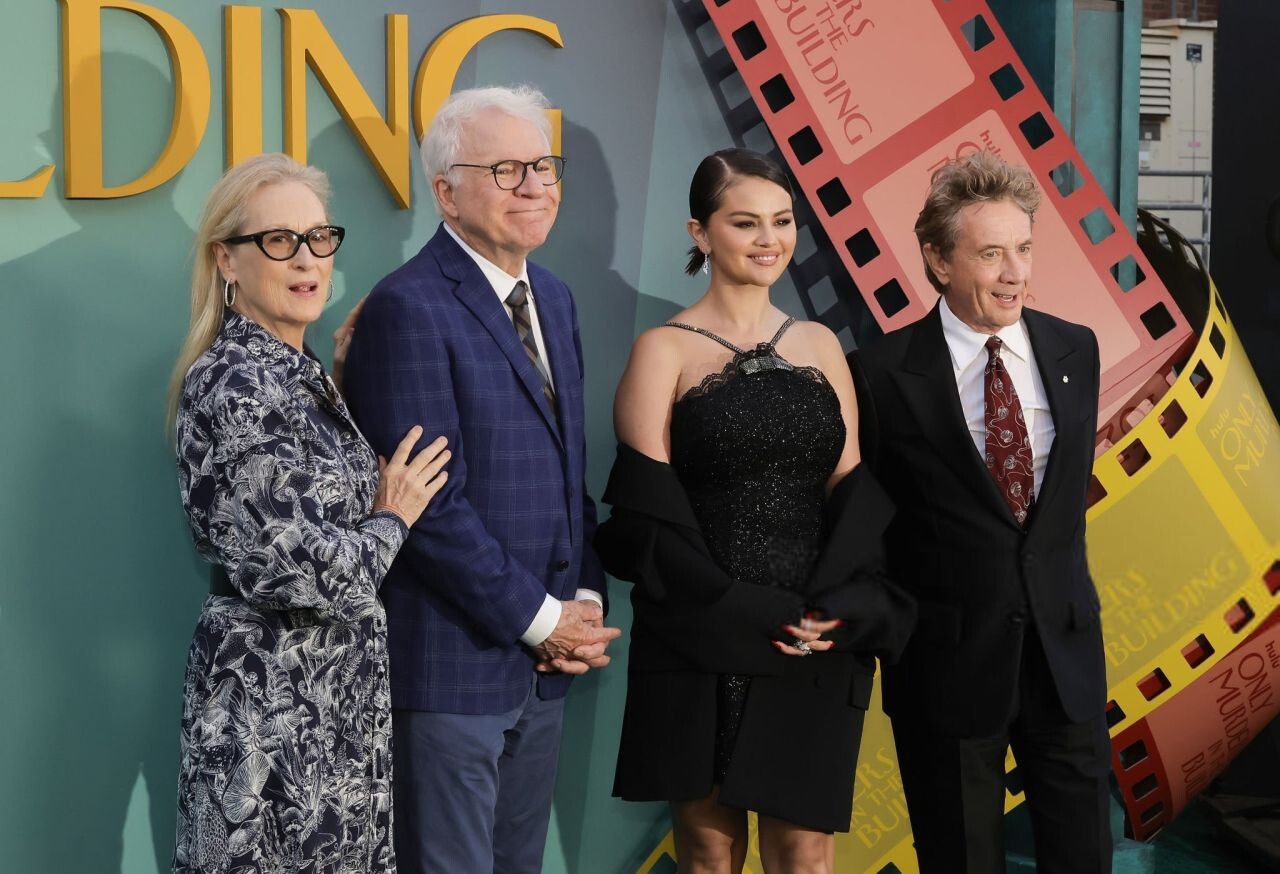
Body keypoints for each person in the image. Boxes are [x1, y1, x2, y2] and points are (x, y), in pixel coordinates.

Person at [595, 148, 916, 873]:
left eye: (782, 221)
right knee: (710, 854)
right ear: (700, 233)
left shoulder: (820, 344)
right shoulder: (662, 350)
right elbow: (648, 517)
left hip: (810, 631)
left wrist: (837, 607)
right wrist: (742, 608)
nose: (769, 239)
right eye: (745, 223)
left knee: (806, 854)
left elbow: (850, 489)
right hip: (699, 627)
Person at [340, 85, 621, 874]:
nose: (533, 186)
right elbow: (429, 508)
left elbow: (568, 477)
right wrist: (543, 619)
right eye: (505, 170)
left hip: (543, 670)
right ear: (446, 192)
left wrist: (584, 601)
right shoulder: (407, 307)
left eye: (542, 165)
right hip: (451, 672)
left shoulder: (554, 299)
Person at [168, 153, 450, 873]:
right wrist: (393, 515)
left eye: (318, 237)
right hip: (270, 713)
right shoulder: (235, 382)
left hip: (329, 708)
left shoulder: (297, 373)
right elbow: (305, 574)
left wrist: (338, 391)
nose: (306, 258)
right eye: (279, 240)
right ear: (226, 260)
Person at [850, 150, 1112, 873]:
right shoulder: (880, 374)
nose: (1014, 273)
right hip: (945, 670)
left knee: (1085, 857)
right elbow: (867, 526)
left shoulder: (1076, 349)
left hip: (1065, 661)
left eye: (1023, 249)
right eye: (991, 254)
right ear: (939, 261)